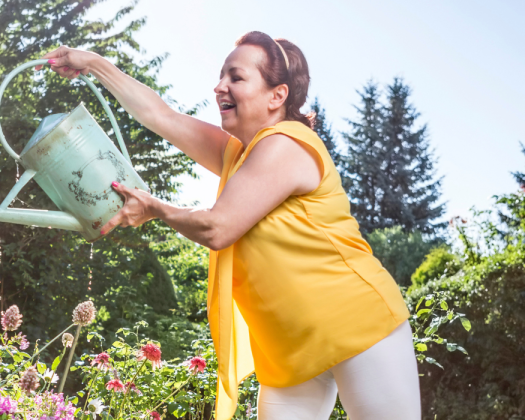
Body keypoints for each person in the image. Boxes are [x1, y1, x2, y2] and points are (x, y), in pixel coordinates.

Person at [39, 31, 421, 420]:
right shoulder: (239, 154)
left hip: (358, 325)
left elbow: (218, 228)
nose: (220, 86)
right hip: (290, 350)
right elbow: (160, 116)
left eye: (236, 78)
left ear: (277, 95)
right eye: (222, 75)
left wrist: (156, 209)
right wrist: (95, 63)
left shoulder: (288, 144)